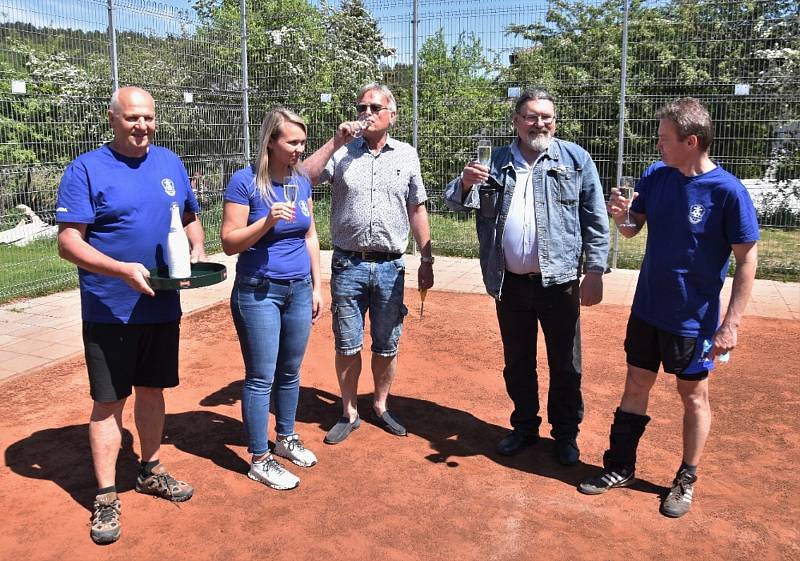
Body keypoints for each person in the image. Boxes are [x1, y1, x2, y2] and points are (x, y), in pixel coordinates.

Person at [578, 98, 759, 518]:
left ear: (691, 141)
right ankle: (619, 466)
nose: (657, 145)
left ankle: (686, 477)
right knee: (635, 384)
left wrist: (730, 324)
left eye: (664, 139)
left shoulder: (728, 192)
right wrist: (621, 217)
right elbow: (631, 228)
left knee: (692, 395)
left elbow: (747, 258)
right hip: (647, 309)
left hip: (693, 320)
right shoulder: (656, 176)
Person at [56, 86, 206, 544]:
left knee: (153, 391)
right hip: (111, 309)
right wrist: (120, 270)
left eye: (148, 118)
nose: (142, 126)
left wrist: (198, 249)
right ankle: (105, 495)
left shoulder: (170, 163)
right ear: (112, 119)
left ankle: (150, 467)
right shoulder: (85, 169)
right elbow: (68, 242)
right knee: (109, 402)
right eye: (132, 118)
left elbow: (188, 218)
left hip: (162, 305)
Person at [443, 87, 609, 466]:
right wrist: (467, 182)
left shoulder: (575, 160)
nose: (540, 123)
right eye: (532, 116)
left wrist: (596, 270)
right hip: (509, 283)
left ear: (555, 120)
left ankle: (566, 435)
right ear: (516, 122)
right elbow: (453, 201)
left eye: (546, 116)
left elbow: (596, 220)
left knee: (566, 364)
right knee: (518, 362)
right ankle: (524, 428)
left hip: (560, 282)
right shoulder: (495, 161)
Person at [303, 83, 434, 444]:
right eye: (361, 107)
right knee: (347, 343)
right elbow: (303, 177)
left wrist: (426, 256)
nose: (366, 113)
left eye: (375, 107)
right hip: (348, 264)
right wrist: (334, 142)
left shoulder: (407, 155)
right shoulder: (342, 152)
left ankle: (379, 404)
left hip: (392, 267)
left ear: (392, 115)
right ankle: (349, 411)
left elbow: (417, 207)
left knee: (386, 343)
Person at [220, 108, 323, 490]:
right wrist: (266, 222)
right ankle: (259, 459)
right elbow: (229, 243)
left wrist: (317, 286)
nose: (300, 148)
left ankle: (286, 437)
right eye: (293, 142)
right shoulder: (244, 182)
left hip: (298, 289)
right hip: (258, 291)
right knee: (261, 377)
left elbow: (310, 235)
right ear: (271, 142)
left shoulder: (301, 181)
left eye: (302, 141)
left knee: (291, 371)